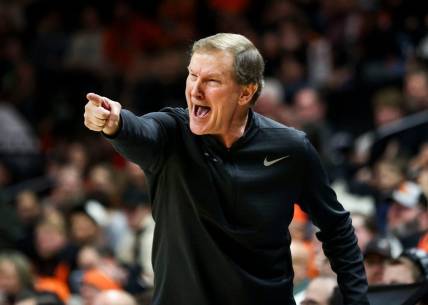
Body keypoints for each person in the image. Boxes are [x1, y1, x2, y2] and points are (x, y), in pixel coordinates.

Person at [83, 33, 369, 305]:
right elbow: (141, 132)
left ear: (245, 93)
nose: (195, 90)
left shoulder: (290, 148)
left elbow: (337, 228)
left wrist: (357, 301)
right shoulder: (172, 133)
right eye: (192, 75)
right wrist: (114, 123)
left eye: (212, 81)